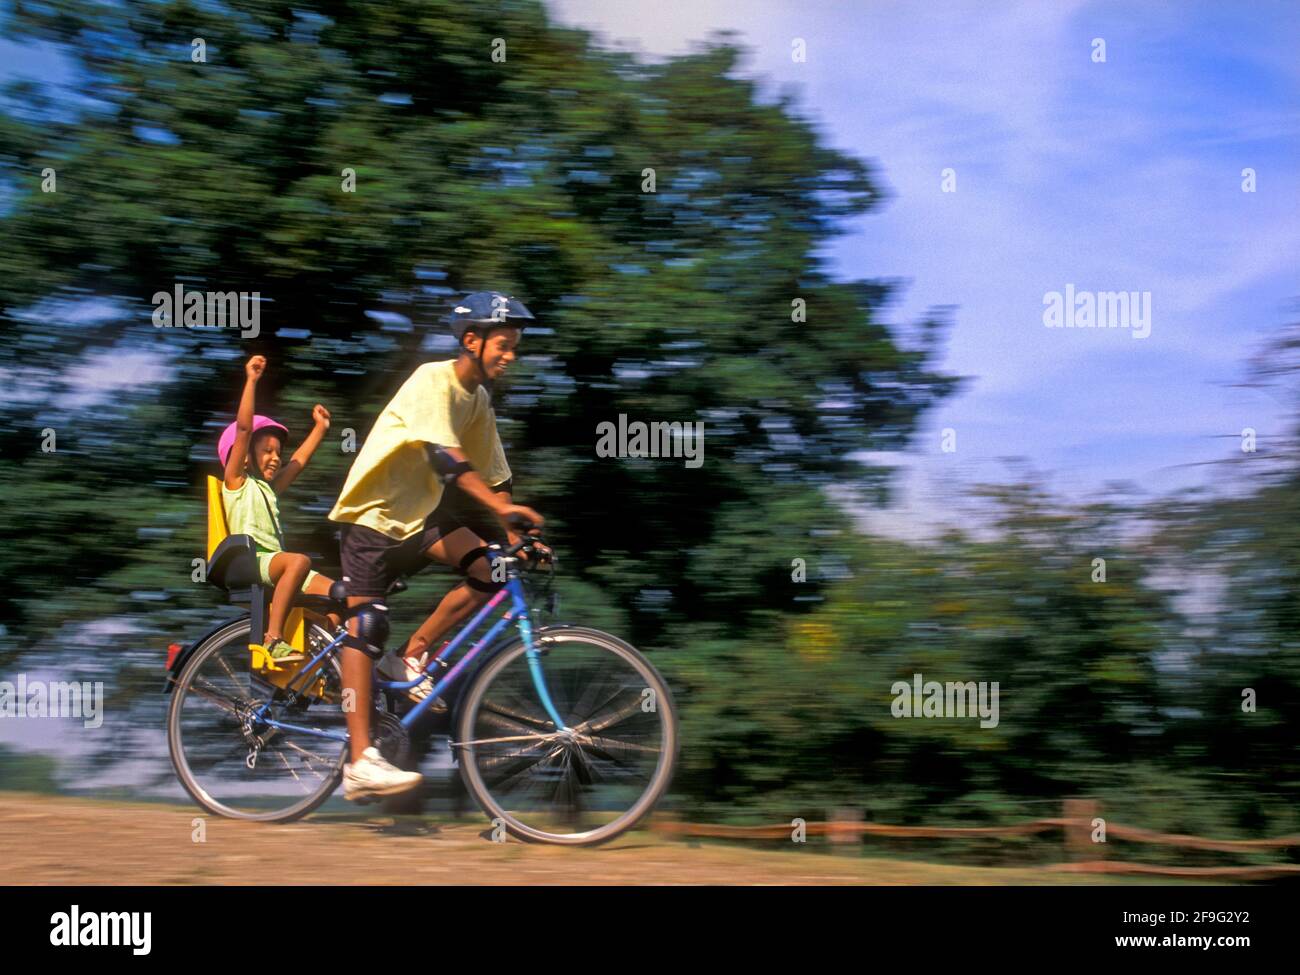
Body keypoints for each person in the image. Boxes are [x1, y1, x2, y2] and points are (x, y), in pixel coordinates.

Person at [328, 291, 547, 802]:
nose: (510, 355)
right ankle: (360, 762)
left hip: (418, 519)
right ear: (471, 340)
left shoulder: (478, 401)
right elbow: (445, 461)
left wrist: (522, 538)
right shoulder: (433, 380)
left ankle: (411, 656)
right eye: (504, 344)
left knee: (494, 572)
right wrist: (499, 513)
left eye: (515, 346)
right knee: (366, 624)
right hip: (373, 518)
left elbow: (496, 477)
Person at [219, 355, 341, 662]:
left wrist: (320, 429)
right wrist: (251, 381)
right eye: (267, 451)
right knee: (298, 561)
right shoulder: (236, 481)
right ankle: (273, 639)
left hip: (278, 566)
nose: (276, 458)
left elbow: (298, 462)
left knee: (344, 595)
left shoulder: (269, 489)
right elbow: (244, 430)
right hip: (255, 561)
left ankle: (319, 649)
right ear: (245, 456)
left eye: (278, 452)